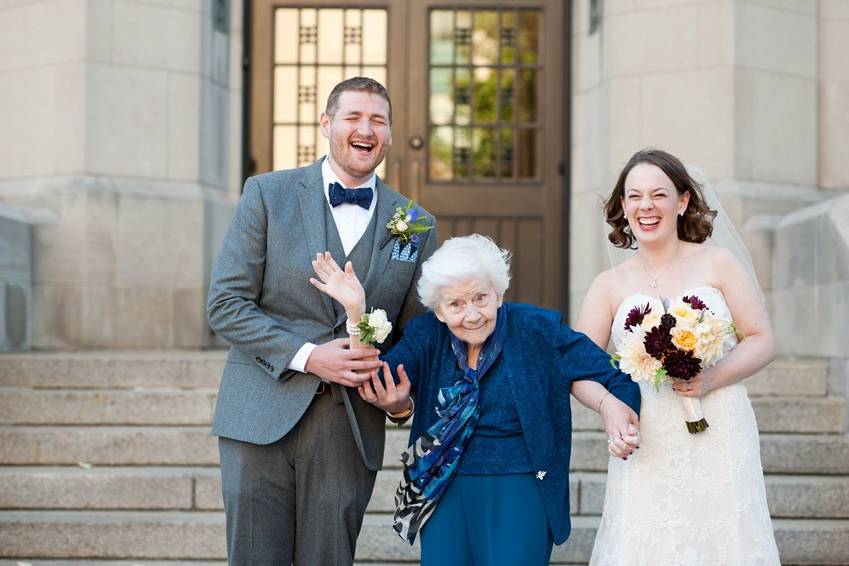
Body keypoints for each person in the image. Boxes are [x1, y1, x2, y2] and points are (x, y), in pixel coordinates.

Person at [206, 76, 437, 565]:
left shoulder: (414, 223)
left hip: (349, 426)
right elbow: (226, 303)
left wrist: (403, 399)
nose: (366, 129)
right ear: (327, 123)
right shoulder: (267, 194)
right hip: (259, 415)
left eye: (378, 120)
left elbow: (416, 335)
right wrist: (309, 357)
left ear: (390, 135)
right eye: (353, 117)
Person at [309, 234, 641, 566]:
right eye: (456, 304)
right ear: (439, 311)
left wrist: (613, 405)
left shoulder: (536, 328)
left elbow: (611, 372)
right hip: (444, 485)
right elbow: (372, 377)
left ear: (498, 294)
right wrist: (355, 313)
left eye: (481, 298)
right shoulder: (427, 335)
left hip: (522, 484)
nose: (472, 315)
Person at [576, 148, 780, 564]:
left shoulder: (718, 263)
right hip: (645, 434)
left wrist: (709, 378)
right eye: (633, 196)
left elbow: (761, 340)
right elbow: (580, 367)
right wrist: (610, 407)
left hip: (720, 425)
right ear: (622, 206)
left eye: (658, 194)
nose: (645, 206)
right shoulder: (608, 285)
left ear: (683, 201)